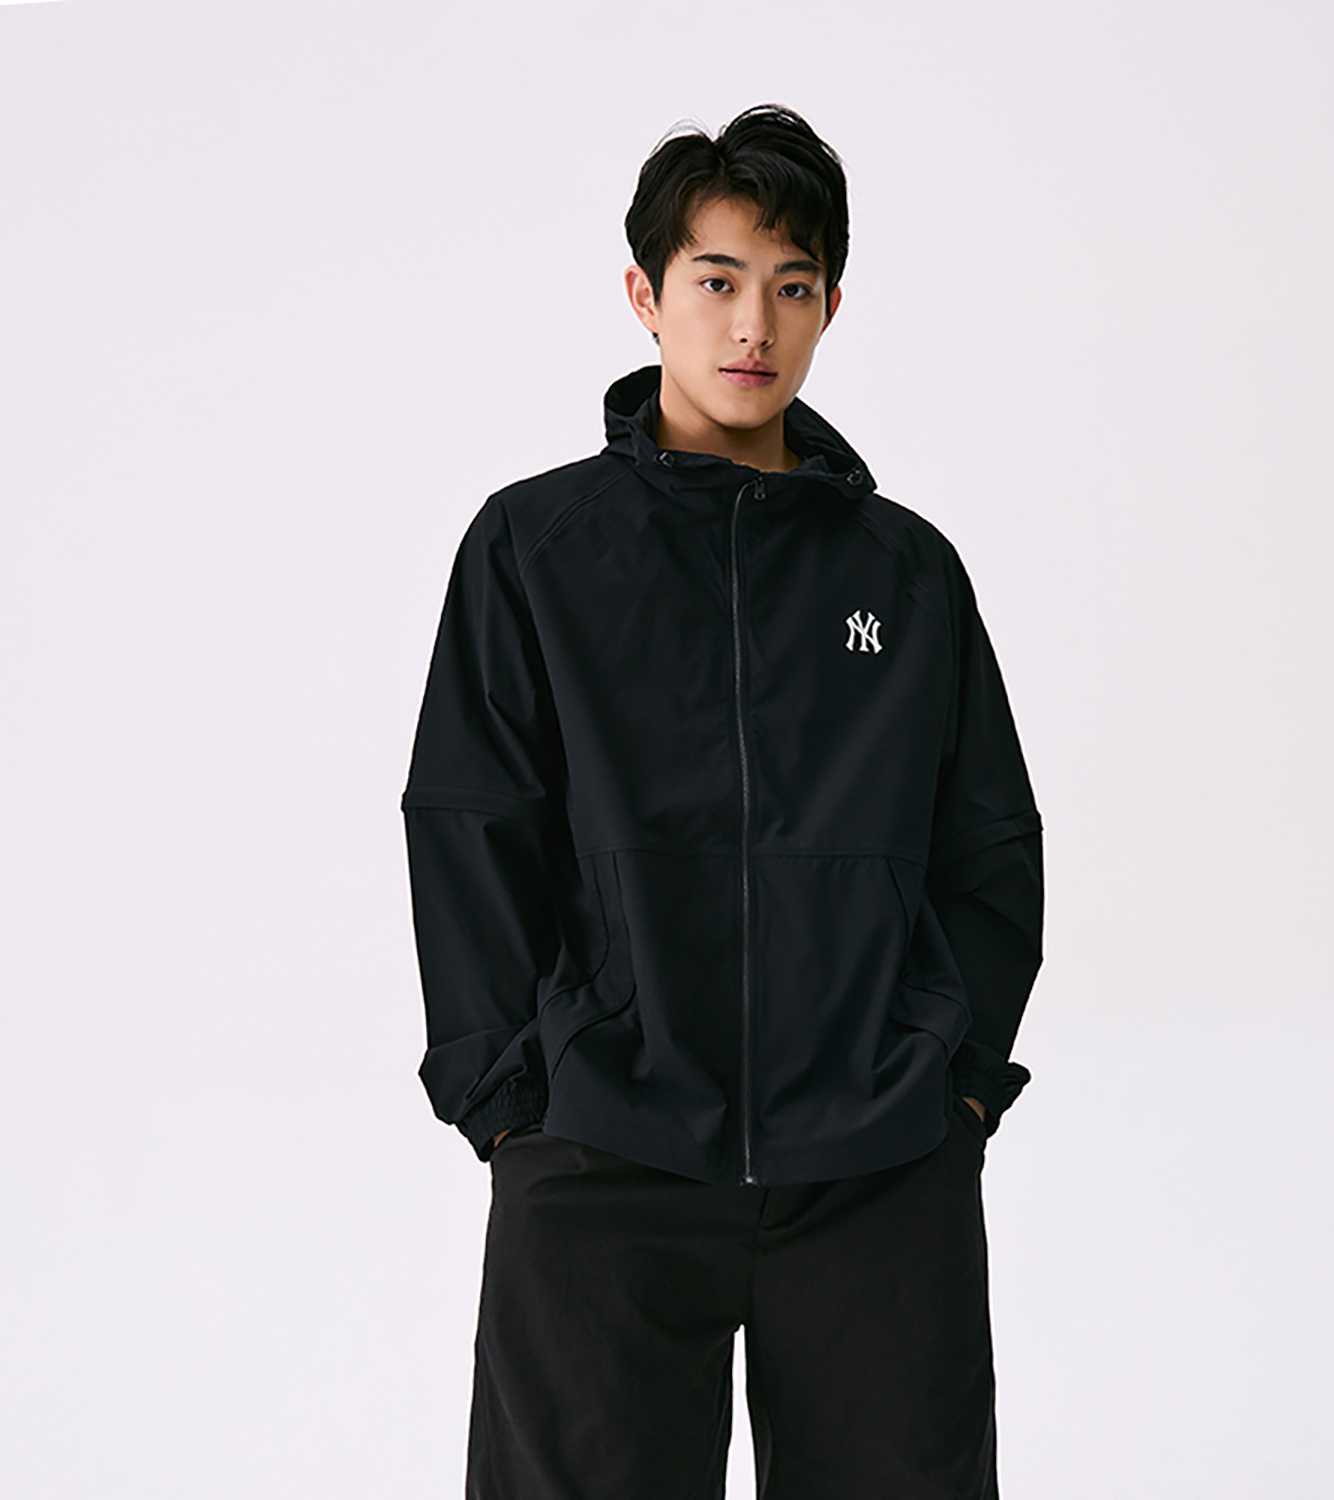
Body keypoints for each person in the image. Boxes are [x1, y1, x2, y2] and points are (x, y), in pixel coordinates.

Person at [400, 102, 1044, 1500]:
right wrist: (514, 1105)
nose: (754, 325)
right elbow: (468, 819)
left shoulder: (906, 573)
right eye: (718, 280)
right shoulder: (536, 547)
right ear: (645, 294)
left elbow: (989, 839)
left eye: (793, 287)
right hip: (606, 1154)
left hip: (876, 1165)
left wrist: (954, 1086)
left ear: (829, 309)